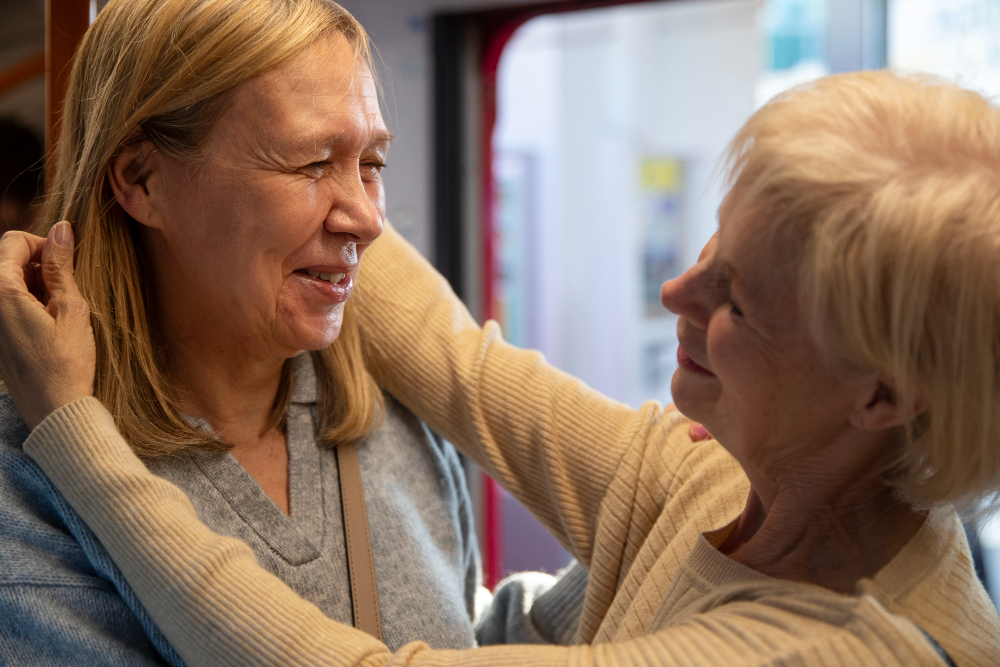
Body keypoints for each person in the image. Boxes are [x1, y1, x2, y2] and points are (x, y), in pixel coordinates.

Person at [2, 70, 999, 665]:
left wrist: (72, 427)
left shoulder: (839, 648)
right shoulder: (726, 477)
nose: (677, 297)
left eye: (737, 301)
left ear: (881, 394)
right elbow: (455, 362)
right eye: (711, 249)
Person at [0, 1, 506, 662]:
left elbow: (458, 636)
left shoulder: (398, 423)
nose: (368, 219)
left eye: (371, 165)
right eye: (311, 164)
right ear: (141, 179)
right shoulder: (27, 481)